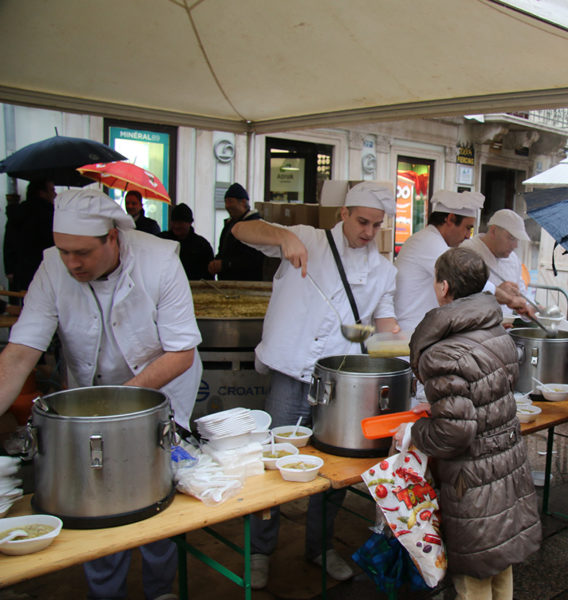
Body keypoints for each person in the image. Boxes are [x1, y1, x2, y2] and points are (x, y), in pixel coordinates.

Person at [0, 188, 202, 600]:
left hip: (156, 390)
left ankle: (160, 589)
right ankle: (105, 592)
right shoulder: (52, 267)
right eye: (63, 251)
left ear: (112, 237)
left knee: (156, 495)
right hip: (89, 396)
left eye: (82, 253)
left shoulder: (160, 260)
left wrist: (116, 407)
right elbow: (21, 353)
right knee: (93, 500)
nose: (71, 263)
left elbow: (181, 352)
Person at [231, 181, 400, 589]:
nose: (367, 231)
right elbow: (241, 230)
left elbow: (386, 323)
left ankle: (319, 546)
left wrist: (405, 350)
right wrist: (282, 234)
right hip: (290, 375)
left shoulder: (384, 270)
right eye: (362, 221)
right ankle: (259, 552)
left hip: (342, 385)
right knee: (274, 466)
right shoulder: (308, 239)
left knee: (334, 470)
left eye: (376, 225)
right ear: (343, 213)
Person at [394, 247, 541, 599]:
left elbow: (454, 432)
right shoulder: (497, 332)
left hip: (471, 478)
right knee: (499, 561)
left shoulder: (444, 353)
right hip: (507, 465)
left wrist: (414, 431)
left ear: (443, 287)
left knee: (473, 575)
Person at [394, 190, 483, 331]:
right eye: (467, 228)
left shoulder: (430, 240)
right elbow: (465, 278)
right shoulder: (428, 242)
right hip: (410, 333)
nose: (467, 236)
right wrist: (507, 297)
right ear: (450, 219)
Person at [461, 209, 532, 315]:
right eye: (511, 238)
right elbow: (460, 297)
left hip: (503, 327)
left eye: (517, 240)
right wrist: (496, 292)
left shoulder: (513, 259)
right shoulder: (466, 251)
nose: (515, 246)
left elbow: (521, 293)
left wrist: (531, 308)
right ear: (493, 231)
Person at [4, 178, 56, 295]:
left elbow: (9, 240)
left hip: (22, 270)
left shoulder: (18, 212)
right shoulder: (49, 214)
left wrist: (10, 268)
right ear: (42, 193)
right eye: (52, 190)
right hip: (46, 269)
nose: (55, 194)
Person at [208, 183, 265, 280]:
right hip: (227, 284)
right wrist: (216, 262)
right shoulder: (229, 224)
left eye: (230, 201)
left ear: (243, 202)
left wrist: (226, 264)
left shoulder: (255, 225)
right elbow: (222, 251)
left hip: (246, 283)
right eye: (225, 202)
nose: (227, 206)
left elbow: (254, 259)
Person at [158, 203, 214, 280]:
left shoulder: (202, 245)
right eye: (174, 222)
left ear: (190, 223)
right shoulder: (161, 240)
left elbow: (209, 277)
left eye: (180, 223)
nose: (176, 226)